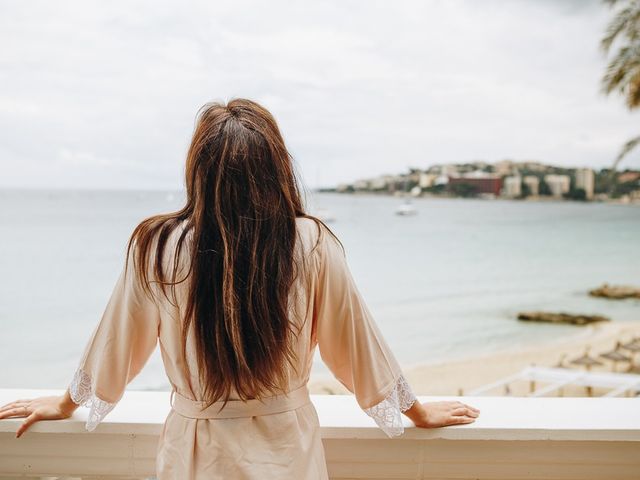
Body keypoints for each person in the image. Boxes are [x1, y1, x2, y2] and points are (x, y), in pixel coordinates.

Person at [0, 98, 480, 479]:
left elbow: (117, 341)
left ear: (199, 171)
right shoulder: (310, 242)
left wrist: (67, 402)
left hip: (193, 452)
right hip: (287, 449)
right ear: (276, 168)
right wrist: (415, 412)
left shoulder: (158, 244)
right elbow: (356, 345)